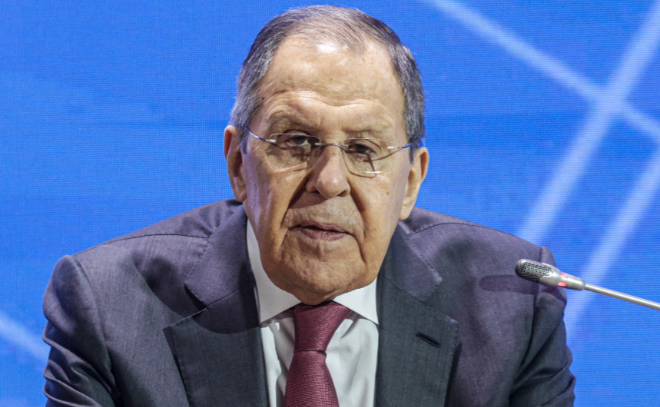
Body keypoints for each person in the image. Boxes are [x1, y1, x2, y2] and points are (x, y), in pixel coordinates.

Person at [42, 5, 575, 407]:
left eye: (364, 149)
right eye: (296, 141)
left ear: (411, 181)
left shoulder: (512, 307)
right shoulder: (111, 306)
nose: (329, 181)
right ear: (238, 164)